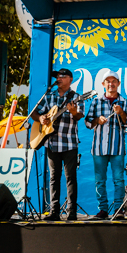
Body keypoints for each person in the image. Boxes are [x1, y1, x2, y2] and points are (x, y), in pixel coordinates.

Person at [32, 67, 84, 221]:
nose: (59, 79)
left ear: (70, 79)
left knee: (70, 178)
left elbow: (79, 115)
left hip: (70, 143)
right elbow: (34, 112)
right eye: (57, 76)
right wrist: (41, 119)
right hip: (52, 143)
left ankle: (71, 212)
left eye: (62, 76)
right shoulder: (49, 95)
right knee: (54, 178)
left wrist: (73, 112)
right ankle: (54, 211)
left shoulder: (76, 97)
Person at [84, 70, 127, 220]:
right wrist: (96, 121)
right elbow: (88, 123)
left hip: (117, 148)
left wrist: (121, 114)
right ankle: (103, 210)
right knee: (100, 180)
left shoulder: (125, 102)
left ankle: (119, 209)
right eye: (108, 81)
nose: (111, 84)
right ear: (103, 84)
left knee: (118, 180)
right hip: (99, 148)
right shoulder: (96, 101)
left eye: (114, 81)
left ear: (118, 84)